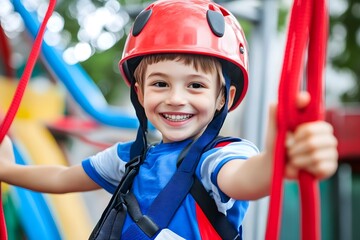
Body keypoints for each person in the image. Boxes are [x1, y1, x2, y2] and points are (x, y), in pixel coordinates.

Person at [0, 0, 338, 239]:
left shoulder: (216, 159)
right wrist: (8, 170)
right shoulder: (129, 160)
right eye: (160, 84)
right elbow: (61, 177)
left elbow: (247, 177)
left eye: (195, 85)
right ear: (140, 93)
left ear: (224, 98)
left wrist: (278, 161)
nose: (176, 98)